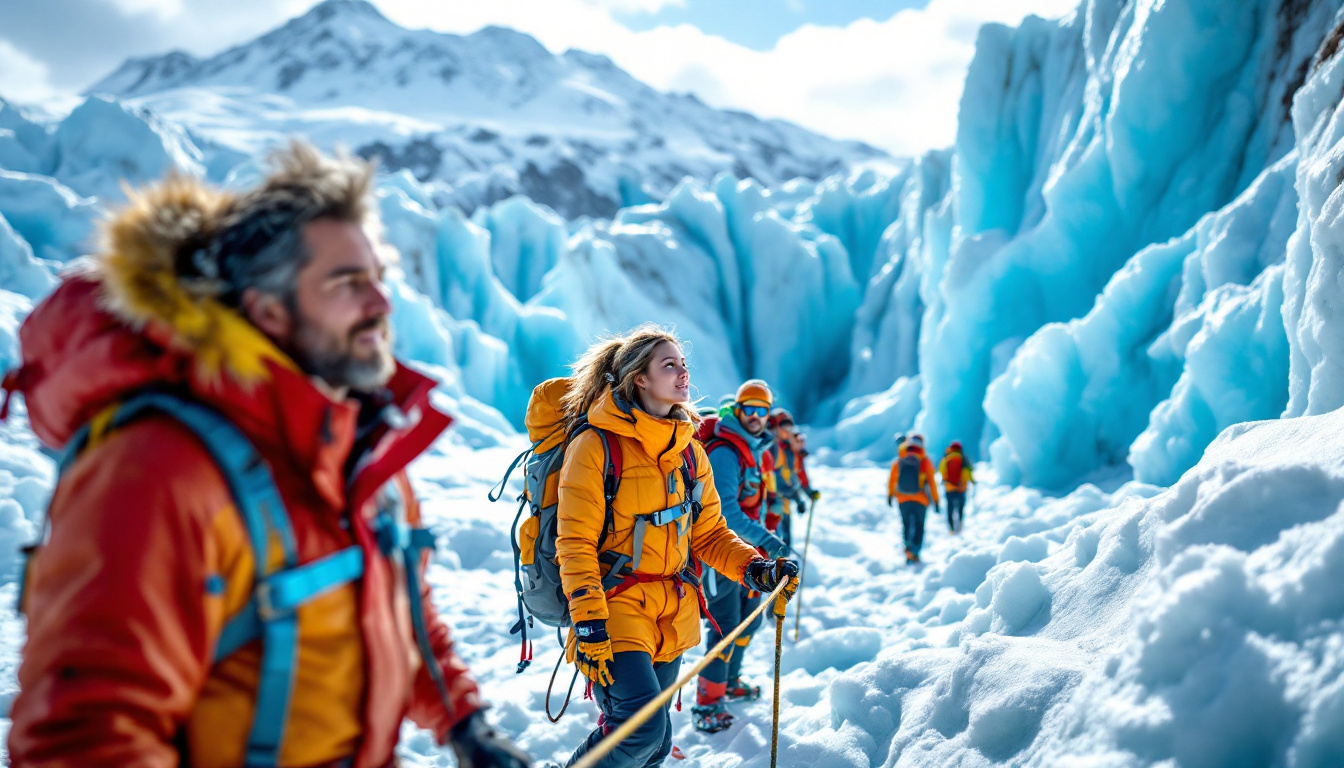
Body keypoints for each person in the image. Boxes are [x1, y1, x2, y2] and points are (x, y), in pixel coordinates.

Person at [3, 143, 530, 767]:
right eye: (347, 283)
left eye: (379, 279)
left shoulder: (361, 456)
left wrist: (467, 725)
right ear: (268, 310)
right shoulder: (161, 471)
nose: (382, 306)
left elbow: (404, 619)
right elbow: (88, 739)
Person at [554, 327, 798, 767]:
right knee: (639, 728)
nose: (683, 372)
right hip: (614, 611)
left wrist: (755, 568)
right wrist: (589, 621)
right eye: (670, 365)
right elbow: (575, 543)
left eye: (683, 364)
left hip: (672, 611)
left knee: (656, 745)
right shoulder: (595, 446)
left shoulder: (690, 451)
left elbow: (708, 533)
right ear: (639, 378)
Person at [693, 379, 790, 732]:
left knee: (748, 616)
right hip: (720, 555)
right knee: (724, 626)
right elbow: (726, 515)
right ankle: (707, 703)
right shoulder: (725, 452)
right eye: (748, 409)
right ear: (737, 409)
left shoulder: (752, 448)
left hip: (747, 557)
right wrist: (770, 539)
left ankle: (729, 681)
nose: (755, 416)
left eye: (761, 410)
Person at [887, 433, 940, 564]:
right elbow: (932, 483)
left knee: (906, 524)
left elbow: (892, 480)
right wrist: (936, 500)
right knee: (919, 525)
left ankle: (908, 549)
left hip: (902, 498)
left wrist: (890, 495)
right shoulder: (925, 460)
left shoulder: (900, 459)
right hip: (921, 499)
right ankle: (915, 552)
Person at [940, 440, 975, 533]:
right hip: (961, 488)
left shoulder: (946, 459)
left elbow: (941, 471)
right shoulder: (963, 458)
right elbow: (967, 472)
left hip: (949, 488)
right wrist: (972, 481)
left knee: (950, 507)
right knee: (960, 507)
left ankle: (951, 528)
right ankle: (959, 525)